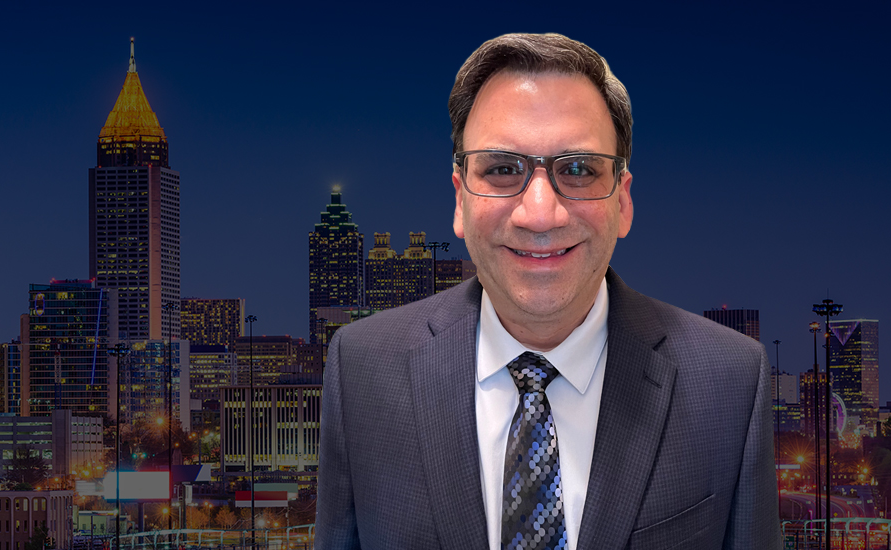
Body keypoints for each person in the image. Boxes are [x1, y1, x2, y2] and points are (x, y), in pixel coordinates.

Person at [314, 33, 780, 550]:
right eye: (501, 169)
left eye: (578, 169)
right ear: (459, 200)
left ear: (622, 202)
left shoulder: (731, 382)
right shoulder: (362, 368)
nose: (540, 213)